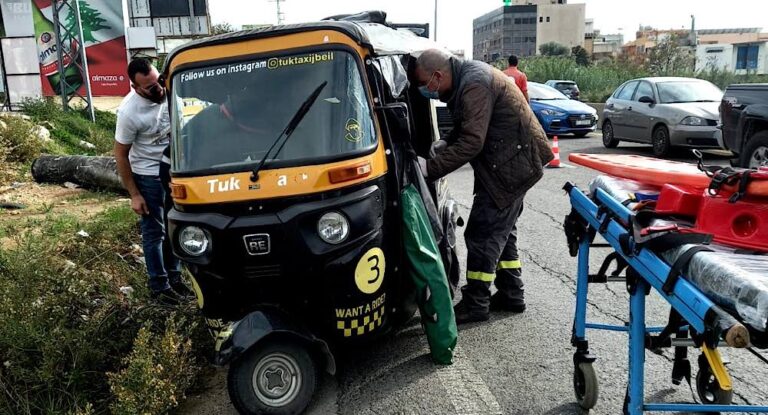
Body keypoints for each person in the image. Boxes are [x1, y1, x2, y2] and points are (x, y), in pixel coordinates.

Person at [413, 49, 553, 324]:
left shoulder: (474, 83)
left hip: (511, 166)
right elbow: (470, 124)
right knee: (503, 231)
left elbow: (473, 141)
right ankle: (512, 293)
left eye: (424, 84)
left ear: (438, 76)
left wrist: (430, 168)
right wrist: (447, 141)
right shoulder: (468, 77)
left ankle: (476, 302)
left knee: (482, 233)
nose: (424, 91)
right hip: (512, 161)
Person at [114, 58, 190, 304]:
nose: (158, 89)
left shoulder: (169, 91)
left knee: (175, 227)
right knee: (154, 232)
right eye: (149, 87)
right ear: (135, 88)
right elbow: (121, 154)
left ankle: (175, 280)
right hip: (147, 176)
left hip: (174, 171)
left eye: (158, 81)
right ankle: (159, 287)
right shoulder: (129, 112)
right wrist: (135, 194)